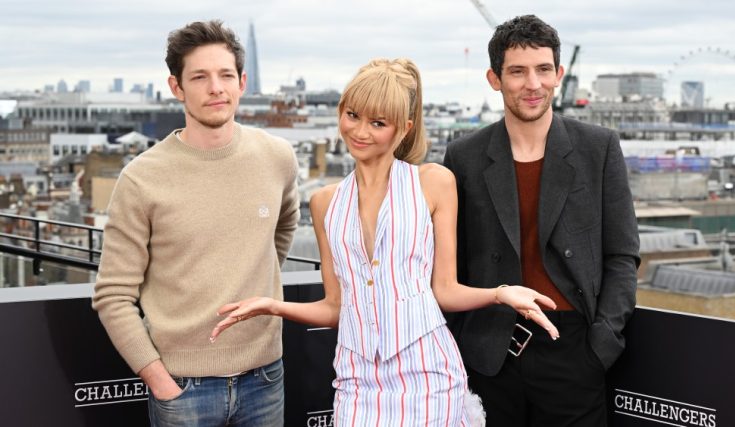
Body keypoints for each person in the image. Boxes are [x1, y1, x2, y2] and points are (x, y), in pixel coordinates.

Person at [210, 58, 560, 426]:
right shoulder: (324, 202)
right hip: (357, 380)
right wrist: (273, 306)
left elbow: (444, 291)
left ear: (403, 128)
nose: (360, 131)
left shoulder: (434, 183)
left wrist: (501, 293)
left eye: (378, 123)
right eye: (353, 115)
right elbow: (335, 308)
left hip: (429, 376)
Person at [92, 20, 299, 426]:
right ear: (176, 88)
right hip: (183, 388)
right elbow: (113, 295)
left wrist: (247, 269)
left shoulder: (277, 157)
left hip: (266, 375)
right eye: (200, 77)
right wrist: (158, 378)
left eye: (225, 76)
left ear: (242, 82)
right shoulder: (141, 177)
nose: (216, 88)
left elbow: (283, 228)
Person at [443, 15, 641, 427]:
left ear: (559, 74)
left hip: (574, 351)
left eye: (543, 69)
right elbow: (453, 264)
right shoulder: (464, 156)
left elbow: (622, 255)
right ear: (494, 79)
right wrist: (467, 343)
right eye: (517, 71)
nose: (533, 84)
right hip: (490, 354)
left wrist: (600, 346)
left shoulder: (598, 147)